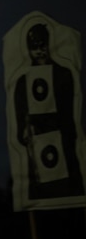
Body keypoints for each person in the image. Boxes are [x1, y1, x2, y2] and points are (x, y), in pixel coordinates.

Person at [13, 22, 86, 200]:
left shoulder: (63, 74)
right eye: (34, 47)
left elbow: (70, 111)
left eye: (42, 45)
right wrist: (25, 130)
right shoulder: (23, 82)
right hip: (38, 146)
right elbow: (20, 114)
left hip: (62, 141)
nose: (39, 51)